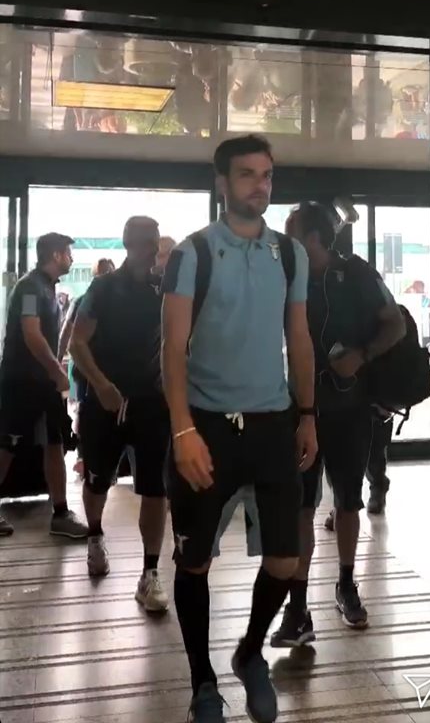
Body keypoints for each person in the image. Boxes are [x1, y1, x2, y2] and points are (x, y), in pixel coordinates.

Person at [161, 134, 317, 723]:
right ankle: (203, 683)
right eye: (248, 174)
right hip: (206, 426)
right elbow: (172, 348)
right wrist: (182, 431)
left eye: (267, 174)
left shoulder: (290, 254)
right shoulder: (194, 254)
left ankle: (250, 652)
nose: (261, 185)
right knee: (194, 562)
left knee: (285, 560)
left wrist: (308, 414)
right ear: (222, 183)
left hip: (274, 423)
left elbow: (298, 337)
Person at [271, 202, 405, 648]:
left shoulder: (358, 274)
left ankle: (346, 584)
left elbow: (396, 325)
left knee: (348, 501)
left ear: (312, 238)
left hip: (350, 408)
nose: (284, 241)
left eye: (291, 233)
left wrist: (362, 356)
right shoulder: (284, 277)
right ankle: (298, 607)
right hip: (296, 410)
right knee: (301, 507)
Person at [70, 217, 170, 612]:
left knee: (155, 489)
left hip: (152, 404)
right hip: (105, 402)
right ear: (130, 244)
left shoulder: (165, 288)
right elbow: (77, 343)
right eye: (146, 241)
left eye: (155, 241)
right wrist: (101, 385)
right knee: (97, 481)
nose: (153, 249)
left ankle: (150, 572)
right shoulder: (104, 288)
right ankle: (95, 536)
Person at [0, 233, 88, 539]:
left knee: (55, 441)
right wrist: (56, 369)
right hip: (22, 381)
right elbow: (31, 334)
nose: (72, 259)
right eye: (68, 253)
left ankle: (61, 513)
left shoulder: (48, 288)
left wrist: (54, 370)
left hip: (44, 382)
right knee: (8, 444)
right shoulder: (29, 287)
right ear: (56, 255)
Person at [58, 258, 115, 477]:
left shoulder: (109, 301)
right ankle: (85, 454)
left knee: (96, 409)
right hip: (85, 367)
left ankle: (95, 456)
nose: (107, 275)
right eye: (104, 272)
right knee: (85, 408)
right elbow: (67, 333)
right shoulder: (84, 301)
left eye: (109, 271)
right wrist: (57, 360)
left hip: (104, 368)